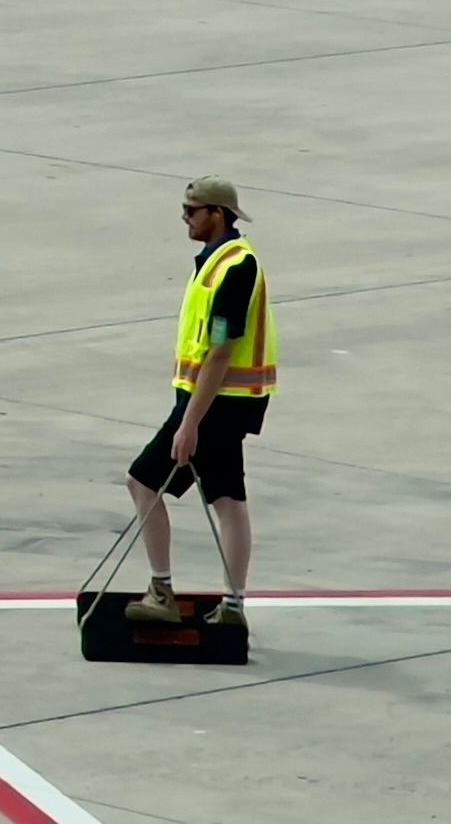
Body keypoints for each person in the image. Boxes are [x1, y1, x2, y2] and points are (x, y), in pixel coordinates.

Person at [123, 175, 276, 632]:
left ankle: (162, 591)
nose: (185, 217)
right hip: (221, 401)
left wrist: (189, 423)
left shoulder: (235, 267)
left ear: (217, 213)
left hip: (214, 403)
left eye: (191, 210)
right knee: (228, 499)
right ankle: (232, 605)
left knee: (142, 482)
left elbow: (222, 350)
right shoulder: (215, 261)